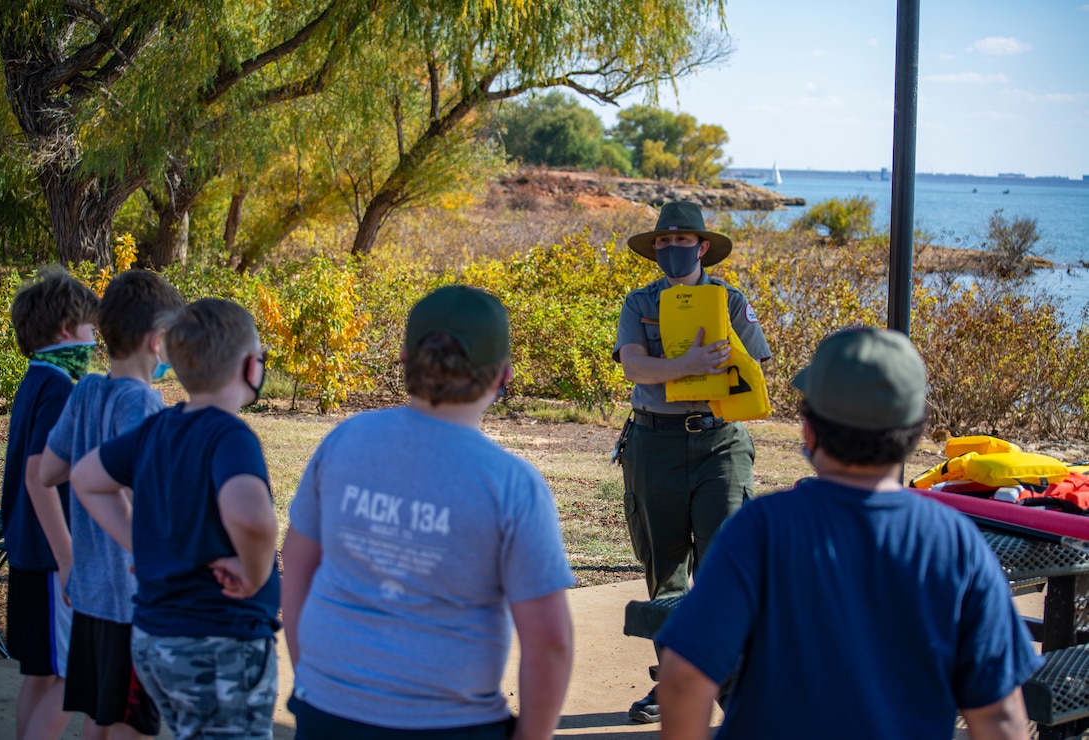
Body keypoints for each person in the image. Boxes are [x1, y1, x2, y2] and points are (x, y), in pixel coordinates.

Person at [657, 327, 1042, 739]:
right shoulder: (957, 542)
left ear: (809, 432)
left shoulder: (760, 529)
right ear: (914, 433)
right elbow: (1000, 718)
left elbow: (684, 680)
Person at [281, 284, 575, 739]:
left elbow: (297, 565)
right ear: (503, 377)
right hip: (452, 723)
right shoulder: (512, 484)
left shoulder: (344, 441)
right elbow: (550, 644)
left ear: (404, 361)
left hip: (327, 708)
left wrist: (312, 679)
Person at [69, 298, 281, 740]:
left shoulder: (156, 428)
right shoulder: (230, 436)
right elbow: (253, 519)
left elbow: (86, 477)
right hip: (218, 640)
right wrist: (255, 573)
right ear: (248, 366)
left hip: (154, 638)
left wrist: (140, 542)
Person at [613, 200, 771, 723]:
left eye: (681, 242)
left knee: (724, 568)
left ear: (703, 247)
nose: (671, 250)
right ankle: (677, 685)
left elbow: (756, 371)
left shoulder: (730, 301)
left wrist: (724, 363)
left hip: (718, 443)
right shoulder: (640, 303)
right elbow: (634, 365)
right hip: (652, 444)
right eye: (662, 242)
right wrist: (684, 364)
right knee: (665, 572)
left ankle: (734, 693)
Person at [38, 270, 185, 740]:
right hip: (130, 600)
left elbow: (48, 472)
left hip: (88, 594)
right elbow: (144, 496)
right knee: (131, 723)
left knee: (99, 718)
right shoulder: (144, 404)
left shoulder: (84, 391)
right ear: (157, 340)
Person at [1, 265, 100, 740]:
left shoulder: (35, 379)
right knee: (70, 676)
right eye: (90, 328)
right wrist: (69, 563)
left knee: (41, 674)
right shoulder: (60, 388)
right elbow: (39, 477)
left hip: (27, 553)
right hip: (50, 561)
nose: (95, 338)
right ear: (66, 330)